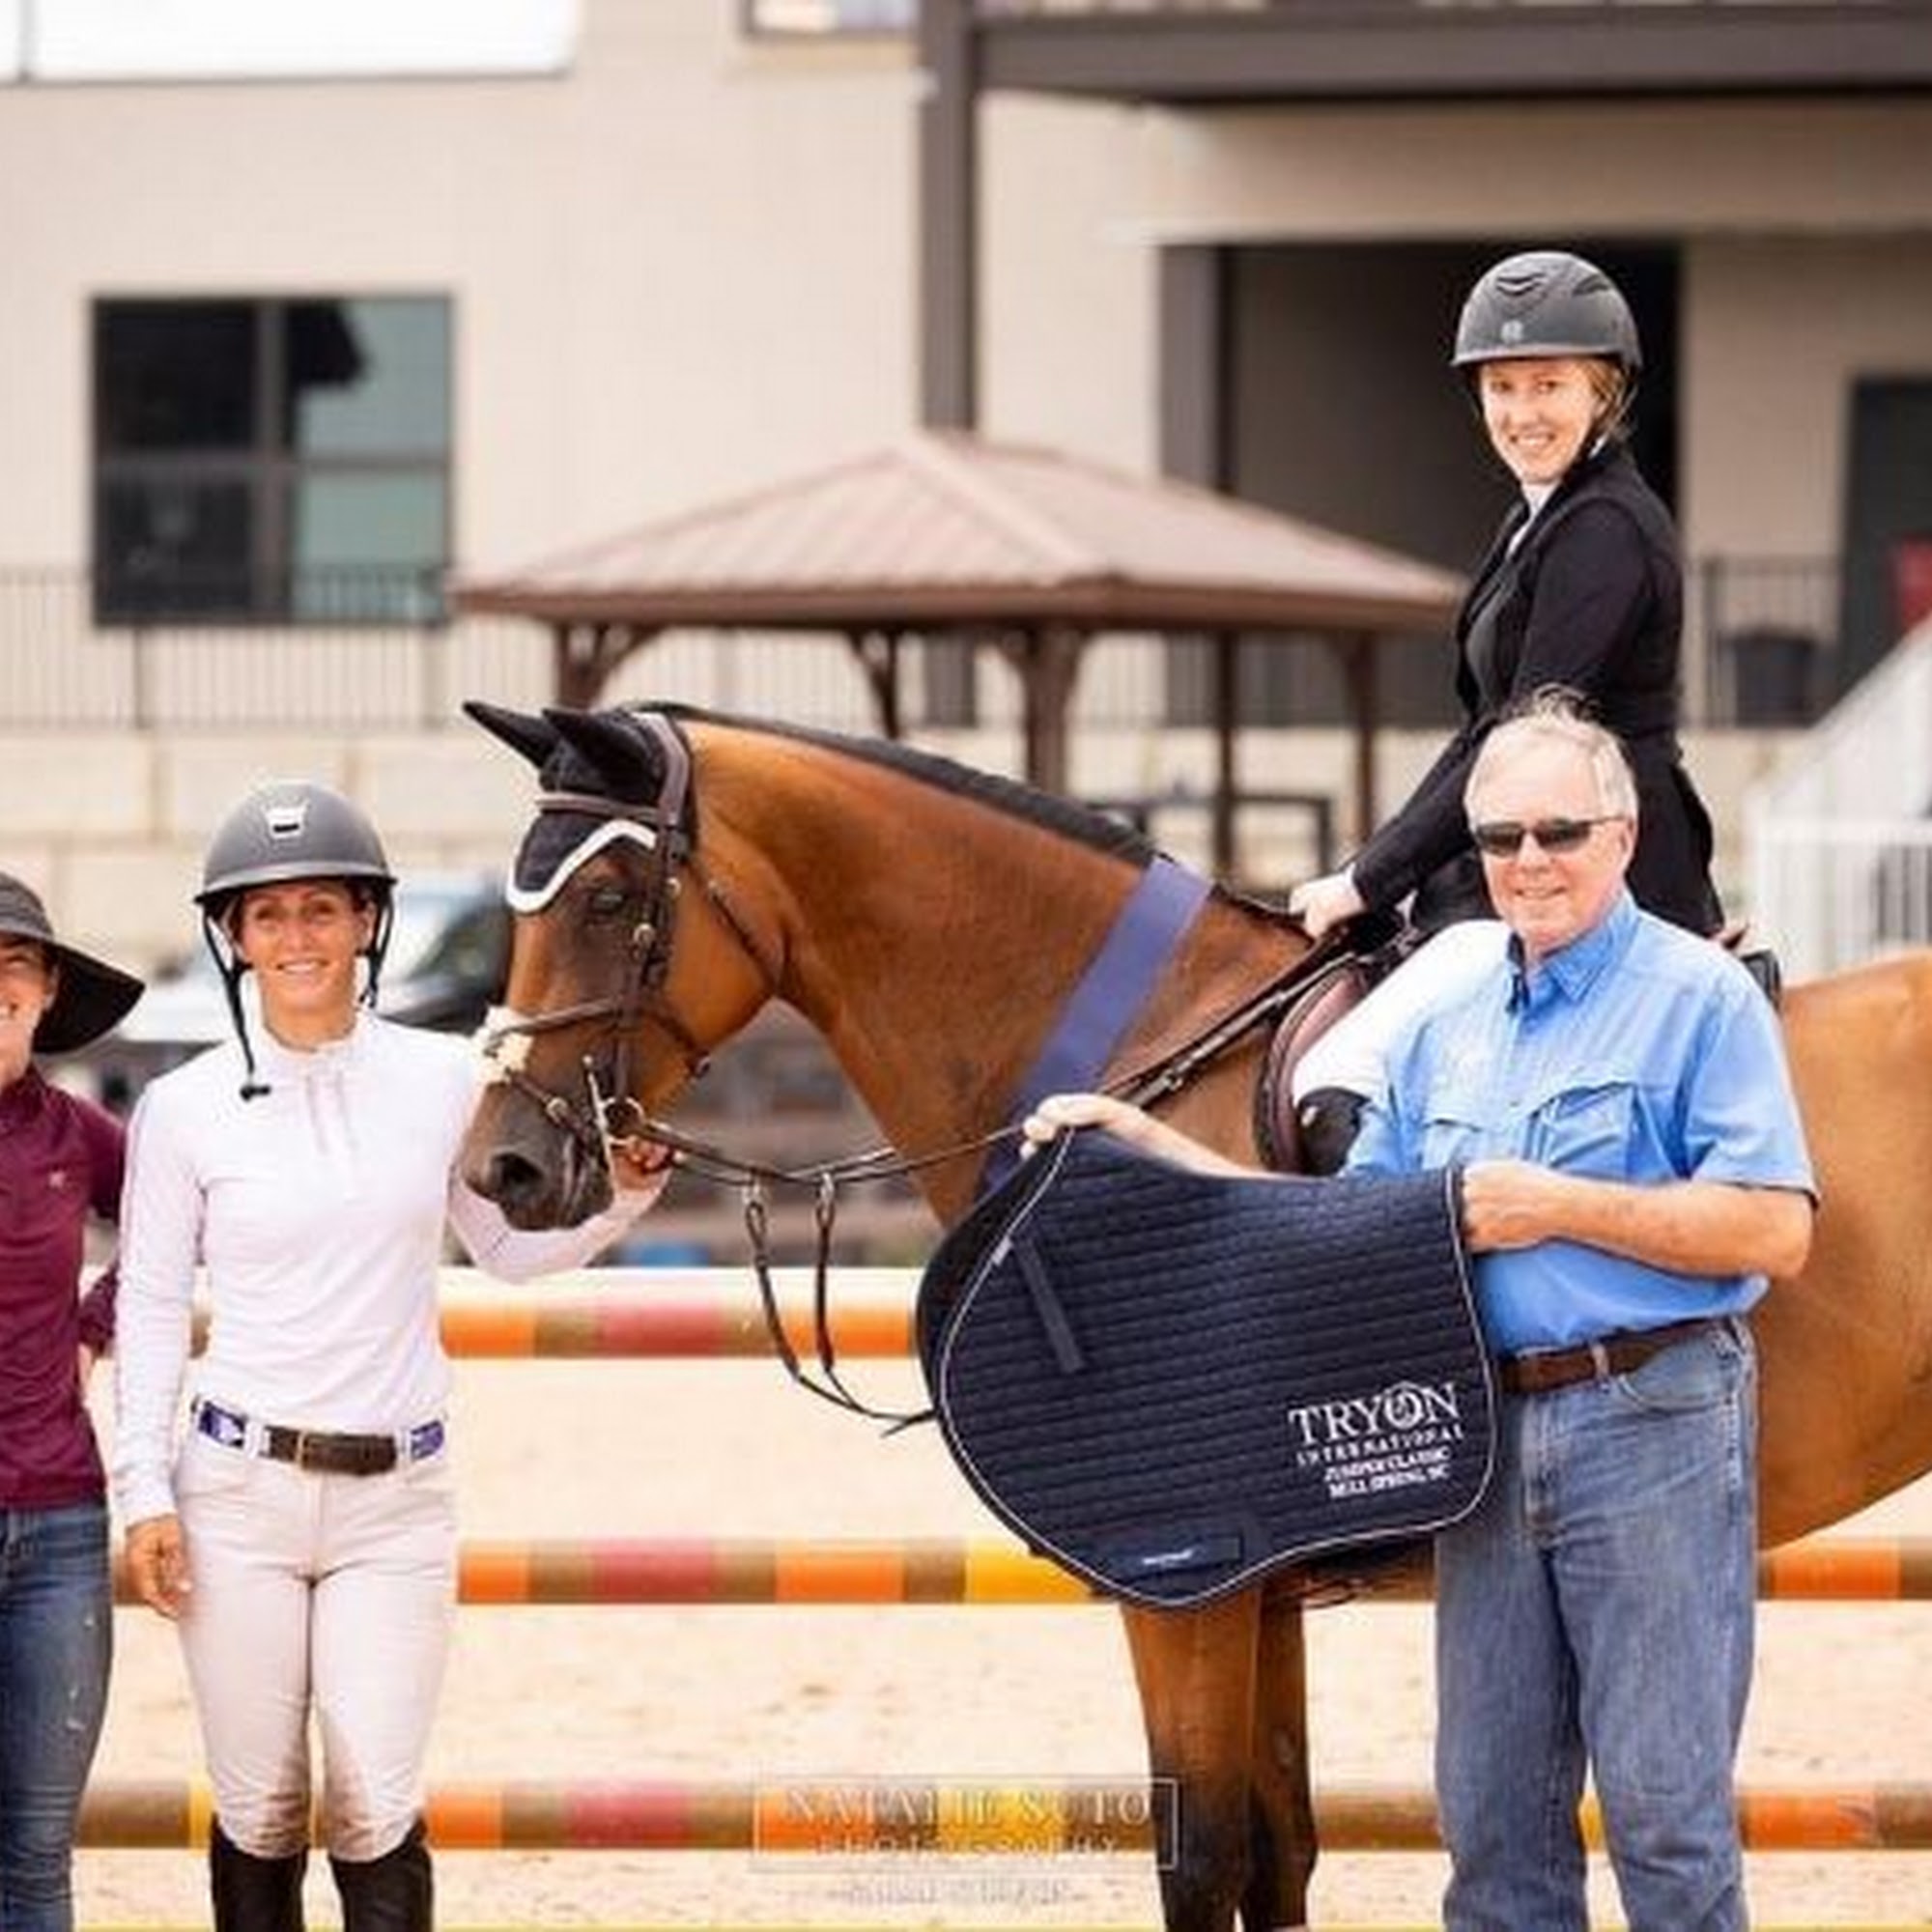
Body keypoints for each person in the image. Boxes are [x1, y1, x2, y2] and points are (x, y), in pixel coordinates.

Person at [1026, 695, 1815, 1930]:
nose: (1528, 860)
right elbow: (1346, 1225)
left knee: (1665, 1822)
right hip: (1482, 1434)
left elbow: (1773, 1228)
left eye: (1557, 830)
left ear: (1619, 834)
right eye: (1499, 838)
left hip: (1652, 1417)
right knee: (1491, 1830)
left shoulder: (1697, 1000)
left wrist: (1559, 1205)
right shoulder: (1443, 1018)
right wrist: (1141, 1141)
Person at [112, 781, 667, 1932]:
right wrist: (143, 1490)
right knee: (262, 1803)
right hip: (237, 1494)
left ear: (367, 920)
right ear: (234, 936)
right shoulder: (182, 1108)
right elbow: (156, 1304)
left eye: (321, 908)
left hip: (395, 1500)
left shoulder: (449, 1077)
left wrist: (624, 1197)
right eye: (267, 917)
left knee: (372, 1797)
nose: (297, 937)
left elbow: (505, 1250)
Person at [1288, 248, 1724, 1163]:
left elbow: (1520, 743)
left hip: (1586, 855)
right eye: (1503, 388)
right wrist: (1375, 868)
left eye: (1549, 386)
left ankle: (1399, 1293)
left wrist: (1368, 881)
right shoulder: (1538, 517)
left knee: (1338, 1074)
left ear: (1604, 391)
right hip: (1522, 840)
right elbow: (1479, 734)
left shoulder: (1604, 530)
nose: (1523, 414)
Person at [0, 873, 143, 1932]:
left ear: (47, 991)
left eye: (15, 967)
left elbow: (173, 1228)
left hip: (56, 1522)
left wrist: (96, 1325)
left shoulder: (77, 1136)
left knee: (39, 1850)